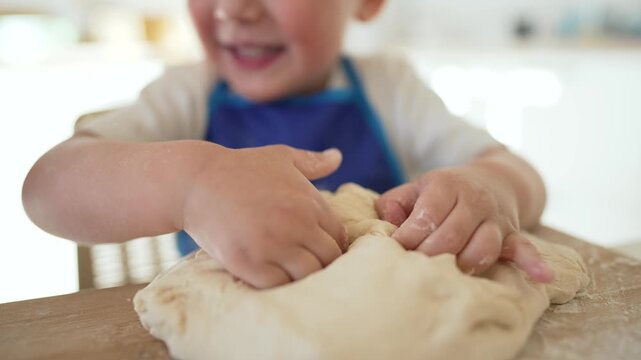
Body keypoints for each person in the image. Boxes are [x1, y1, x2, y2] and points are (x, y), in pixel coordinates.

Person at [22, 0, 553, 289]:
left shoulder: (391, 90)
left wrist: (491, 189)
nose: (235, 8)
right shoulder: (188, 94)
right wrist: (191, 183)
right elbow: (48, 186)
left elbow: (514, 170)